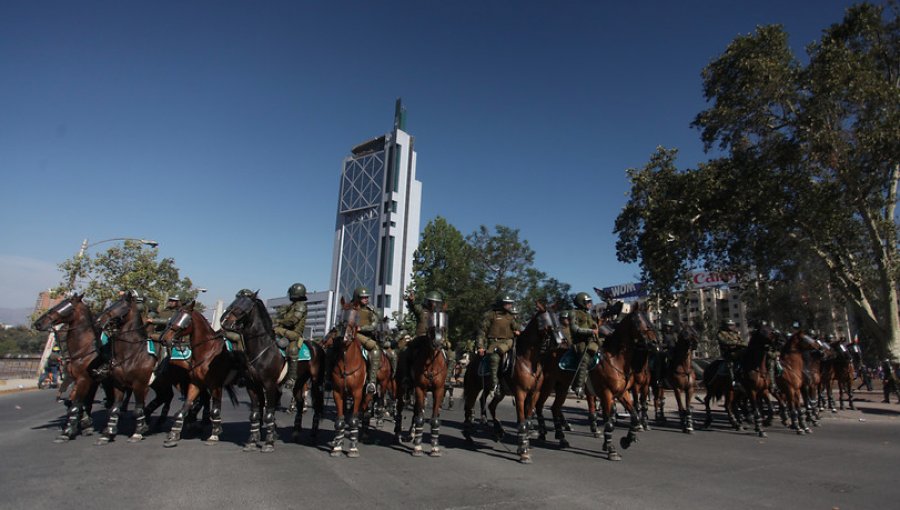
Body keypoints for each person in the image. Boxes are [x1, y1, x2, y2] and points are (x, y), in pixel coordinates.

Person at [477, 294, 520, 399]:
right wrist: (480, 346)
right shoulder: (491, 315)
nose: (509, 305)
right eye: (506, 303)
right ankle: (495, 385)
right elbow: (482, 331)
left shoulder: (511, 317)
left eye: (510, 303)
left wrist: (518, 331)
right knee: (495, 357)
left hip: (509, 343)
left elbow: (517, 328)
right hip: (494, 342)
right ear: (501, 303)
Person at [398, 290, 444, 388]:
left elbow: (444, 329)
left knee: (450, 356)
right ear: (428, 302)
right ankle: (406, 377)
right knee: (405, 352)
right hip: (420, 338)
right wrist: (411, 301)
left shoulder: (440, 315)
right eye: (432, 302)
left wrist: (445, 340)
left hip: (436, 340)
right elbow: (414, 307)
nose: (434, 304)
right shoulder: (421, 311)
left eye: (436, 302)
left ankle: (446, 379)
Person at [273, 283, 308, 390]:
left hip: (295, 333)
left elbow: (293, 321)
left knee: (292, 349)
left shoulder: (301, 305)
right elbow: (281, 317)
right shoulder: (291, 306)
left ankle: (292, 378)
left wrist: (278, 322)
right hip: (285, 331)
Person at [569, 292, 600, 399]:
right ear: (581, 302)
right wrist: (591, 331)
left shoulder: (589, 314)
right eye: (587, 302)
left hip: (592, 342)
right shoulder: (573, 313)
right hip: (580, 343)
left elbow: (595, 327)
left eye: (590, 302)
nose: (590, 304)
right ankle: (578, 386)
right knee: (585, 359)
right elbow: (575, 329)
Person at [146, 294, 181, 374]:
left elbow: (170, 321)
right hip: (157, 332)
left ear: (177, 302)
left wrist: (154, 321)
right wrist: (151, 315)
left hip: (168, 334)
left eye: (173, 301)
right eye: (170, 300)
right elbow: (156, 316)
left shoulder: (178, 312)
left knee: (163, 345)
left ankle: (160, 366)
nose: (171, 302)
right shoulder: (164, 311)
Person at [717, 318, 745, 389]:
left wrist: (745, 344)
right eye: (729, 325)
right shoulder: (721, 333)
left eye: (732, 325)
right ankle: (733, 381)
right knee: (730, 365)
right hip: (728, 353)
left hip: (738, 351)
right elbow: (725, 342)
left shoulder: (735, 333)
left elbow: (742, 341)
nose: (731, 327)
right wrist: (737, 343)